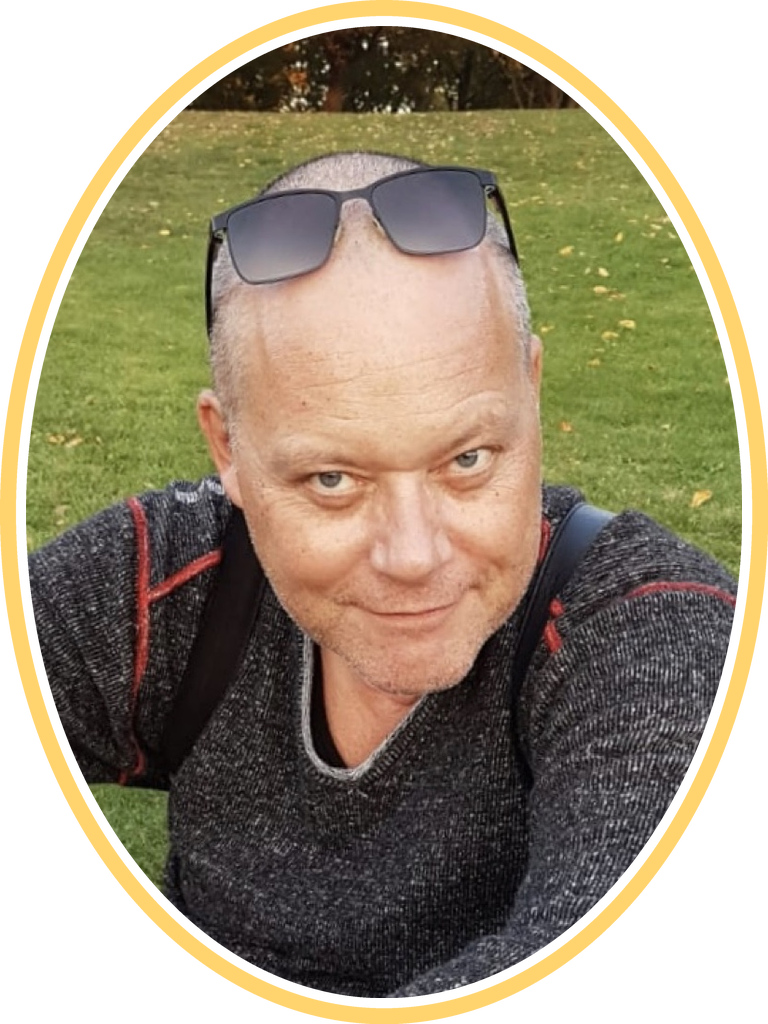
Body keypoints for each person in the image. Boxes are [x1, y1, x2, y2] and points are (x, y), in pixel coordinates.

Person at [28, 151, 737, 998]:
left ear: (532, 391)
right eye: (333, 479)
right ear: (229, 448)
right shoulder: (169, 589)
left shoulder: (658, 638)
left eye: (468, 460)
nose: (413, 556)